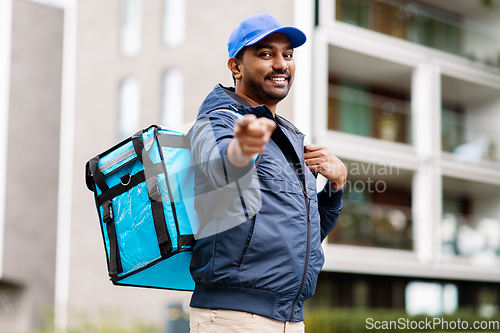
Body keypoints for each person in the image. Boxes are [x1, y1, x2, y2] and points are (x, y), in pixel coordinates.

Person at [188, 13, 347, 333]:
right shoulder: (218, 121)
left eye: (287, 55)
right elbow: (217, 178)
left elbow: (305, 235)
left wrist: (336, 186)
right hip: (235, 317)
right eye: (265, 54)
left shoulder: (289, 136)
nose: (281, 64)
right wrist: (242, 152)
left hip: (289, 318)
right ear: (235, 67)